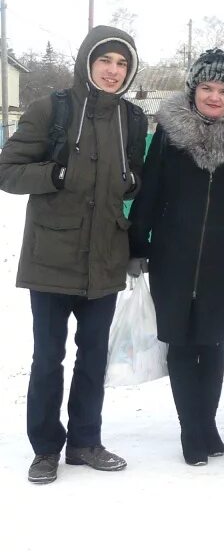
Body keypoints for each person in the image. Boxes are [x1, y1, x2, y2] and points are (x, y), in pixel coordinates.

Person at [0, 26, 145, 484]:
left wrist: (134, 189)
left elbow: (136, 177)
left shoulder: (133, 118)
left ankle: (86, 441)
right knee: (48, 357)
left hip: (105, 255)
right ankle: (46, 448)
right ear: (88, 62)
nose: (113, 71)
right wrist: (54, 174)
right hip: (51, 255)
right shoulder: (52, 109)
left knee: (94, 357)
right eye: (106, 61)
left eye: (122, 64)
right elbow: (8, 170)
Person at [128, 49, 224, 466]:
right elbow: (150, 191)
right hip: (173, 255)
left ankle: (206, 424)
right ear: (193, 90)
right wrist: (138, 244)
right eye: (207, 87)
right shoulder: (170, 132)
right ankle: (193, 431)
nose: (214, 96)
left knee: (212, 344)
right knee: (179, 342)